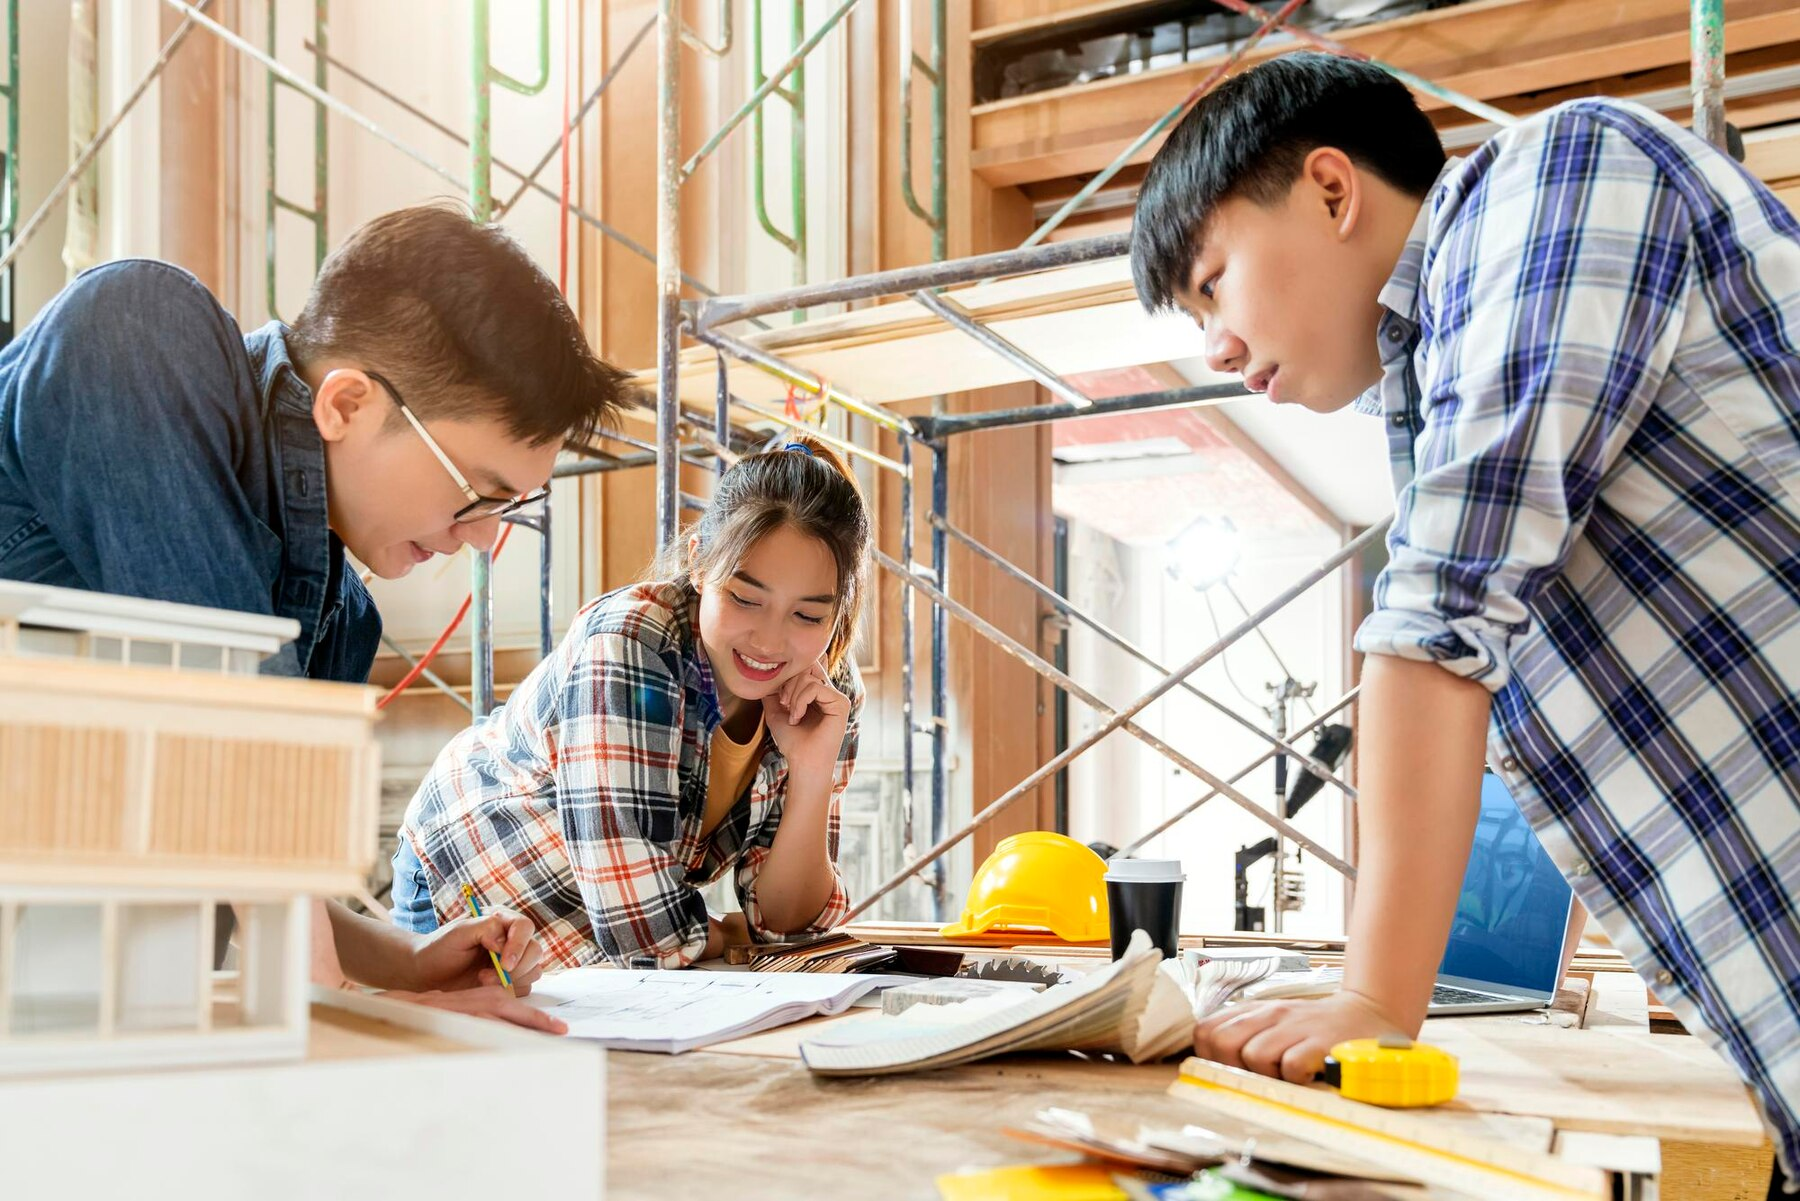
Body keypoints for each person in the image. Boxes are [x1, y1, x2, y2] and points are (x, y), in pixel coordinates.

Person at [1129, 52, 1800, 1188]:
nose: (1218, 348)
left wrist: (1373, 996)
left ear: (1330, 189)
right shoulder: (1436, 374)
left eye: (1213, 283)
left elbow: (1438, 614)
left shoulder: (1561, 171)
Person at [0, 202, 632, 1029]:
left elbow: (237, 851)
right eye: (480, 492)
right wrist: (345, 1003)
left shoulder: (340, 615)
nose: (482, 537)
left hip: (74, 1019)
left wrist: (402, 956)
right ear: (347, 404)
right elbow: (223, 704)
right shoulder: (139, 329)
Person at [395, 437, 872, 969]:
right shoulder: (629, 643)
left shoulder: (826, 691)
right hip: (468, 881)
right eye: (745, 598)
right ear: (699, 563)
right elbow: (647, 940)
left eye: (807, 616)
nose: (769, 641)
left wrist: (812, 772)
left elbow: (790, 924)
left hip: (597, 934)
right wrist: (724, 933)